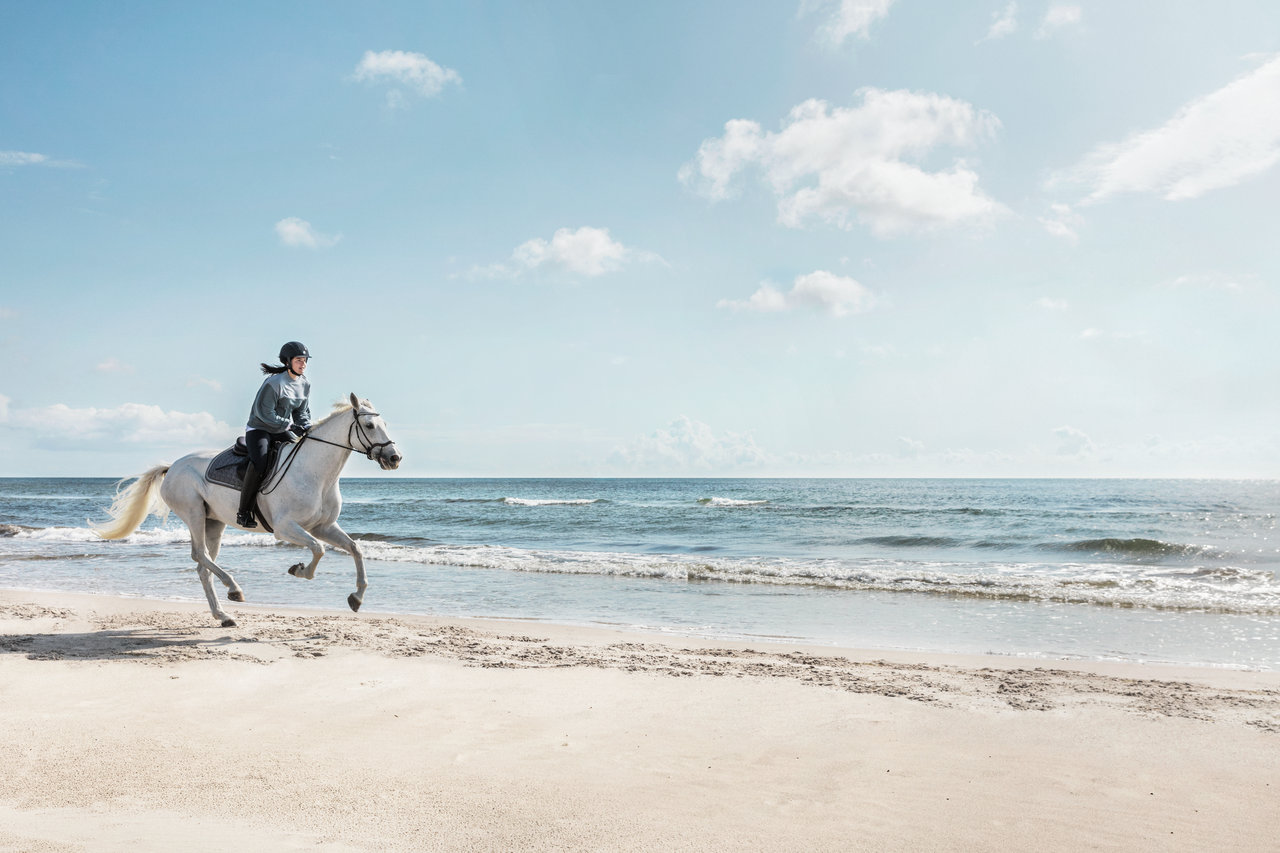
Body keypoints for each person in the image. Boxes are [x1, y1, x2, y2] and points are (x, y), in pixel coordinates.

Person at [237, 341, 313, 528]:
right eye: (298, 360)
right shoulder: (274, 383)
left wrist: (305, 425)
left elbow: (302, 412)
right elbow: (265, 413)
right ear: (288, 362)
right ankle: (243, 512)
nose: (303, 364)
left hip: (281, 430)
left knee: (298, 455)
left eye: (304, 361)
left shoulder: (304, 384)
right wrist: (289, 425)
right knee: (260, 464)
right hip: (259, 429)